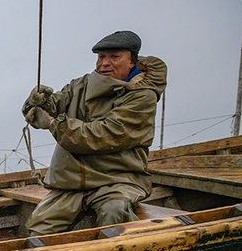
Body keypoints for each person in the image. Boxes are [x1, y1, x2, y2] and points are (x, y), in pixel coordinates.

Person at [22, 30, 168, 236]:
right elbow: (51, 106)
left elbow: (103, 135)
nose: (105, 63)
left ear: (132, 62)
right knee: (39, 228)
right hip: (72, 183)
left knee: (115, 213)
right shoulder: (80, 85)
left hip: (117, 180)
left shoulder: (142, 98)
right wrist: (37, 102)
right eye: (101, 57)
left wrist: (54, 124)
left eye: (114, 57)